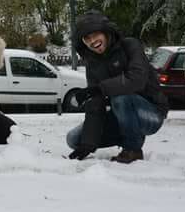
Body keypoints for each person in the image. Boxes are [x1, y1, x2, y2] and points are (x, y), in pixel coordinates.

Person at [66, 10, 168, 163]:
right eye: (87, 38)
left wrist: (100, 88)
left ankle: (133, 150)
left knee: (120, 97)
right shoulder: (92, 64)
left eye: (95, 35)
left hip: (151, 114)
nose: (92, 41)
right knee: (73, 139)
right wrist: (88, 143)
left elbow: (136, 80)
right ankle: (127, 133)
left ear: (106, 32)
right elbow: (95, 104)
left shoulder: (130, 45)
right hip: (121, 114)